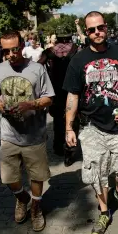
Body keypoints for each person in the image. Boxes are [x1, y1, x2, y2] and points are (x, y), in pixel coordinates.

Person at [63, 11, 118, 234]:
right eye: (91, 30)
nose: (96, 32)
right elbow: (73, 96)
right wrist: (69, 127)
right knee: (96, 172)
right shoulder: (78, 60)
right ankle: (104, 210)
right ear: (86, 33)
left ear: (106, 28)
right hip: (91, 126)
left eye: (100, 28)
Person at [0, 30, 55, 232]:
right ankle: (22, 198)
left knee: (37, 175)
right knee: (9, 178)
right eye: (6, 50)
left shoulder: (37, 69)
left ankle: (36, 208)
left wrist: (31, 104)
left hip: (34, 135)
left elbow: (49, 98)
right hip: (9, 134)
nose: (10, 55)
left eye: (14, 49)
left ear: (22, 46)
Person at [40, 31, 79, 166]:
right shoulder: (76, 49)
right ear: (69, 38)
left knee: (58, 119)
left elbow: (38, 65)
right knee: (73, 120)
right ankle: (70, 151)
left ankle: (58, 146)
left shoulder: (49, 51)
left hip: (55, 90)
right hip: (73, 90)